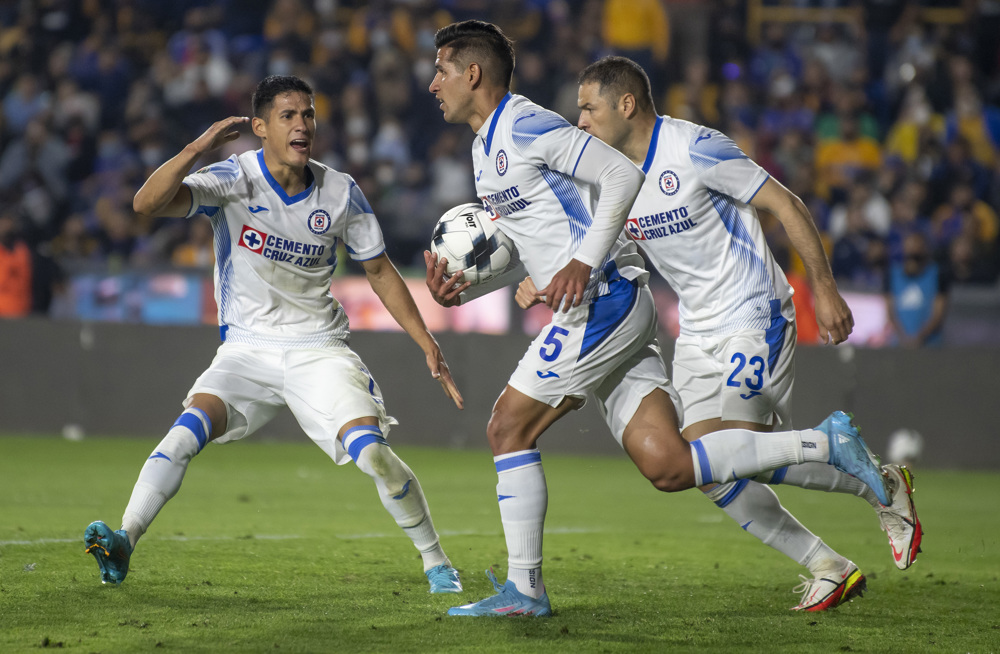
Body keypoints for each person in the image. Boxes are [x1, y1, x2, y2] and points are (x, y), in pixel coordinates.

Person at [424, 21, 890, 618]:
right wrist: (468, 286)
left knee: (506, 429)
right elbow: (533, 237)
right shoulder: (485, 148)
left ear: (472, 73)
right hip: (602, 302)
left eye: (441, 71)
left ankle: (526, 591)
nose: (433, 84)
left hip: (606, 303)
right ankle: (828, 497)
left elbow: (622, 178)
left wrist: (581, 265)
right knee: (671, 466)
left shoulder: (527, 124)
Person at [84, 75, 465, 595]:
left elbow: (378, 270)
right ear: (260, 128)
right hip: (246, 348)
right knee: (181, 435)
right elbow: (146, 205)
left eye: (308, 114)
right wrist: (198, 147)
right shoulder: (232, 179)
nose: (302, 124)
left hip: (319, 350)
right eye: (288, 115)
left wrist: (426, 340)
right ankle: (124, 541)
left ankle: (436, 561)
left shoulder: (339, 191)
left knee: (373, 453)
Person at [885, 231, 950, 346]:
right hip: (899, 345)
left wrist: (920, 338)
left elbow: (939, 312)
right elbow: (890, 311)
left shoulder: (937, 273)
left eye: (917, 246)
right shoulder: (892, 275)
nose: (913, 250)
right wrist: (903, 338)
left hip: (930, 346)